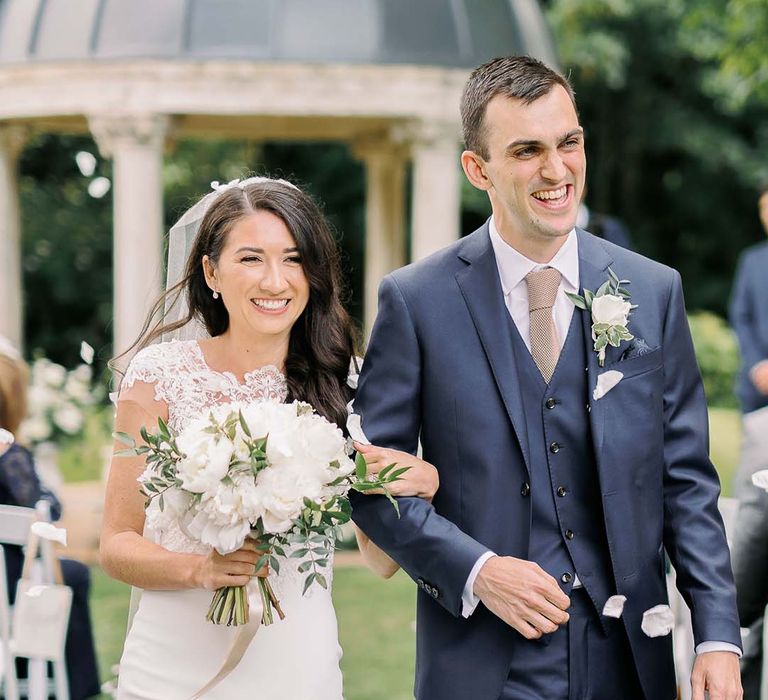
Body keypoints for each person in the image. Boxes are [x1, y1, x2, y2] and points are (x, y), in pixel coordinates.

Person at [350, 56, 742, 700]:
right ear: (479, 169)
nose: (557, 170)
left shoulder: (652, 289)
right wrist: (478, 572)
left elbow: (687, 482)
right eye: (527, 150)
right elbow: (369, 483)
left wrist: (717, 638)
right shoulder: (416, 300)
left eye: (569, 143)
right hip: (483, 659)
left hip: (627, 658)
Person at [100, 177, 438, 700]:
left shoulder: (347, 383)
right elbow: (117, 543)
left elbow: (381, 560)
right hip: (171, 668)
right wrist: (200, 570)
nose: (276, 281)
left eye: (295, 259)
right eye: (251, 259)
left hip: (296, 665)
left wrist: (420, 480)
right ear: (211, 271)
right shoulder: (158, 374)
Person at [0, 341, 101, 700]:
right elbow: (43, 512)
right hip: (12, 579)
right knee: (71, 575)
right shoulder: (10, 455)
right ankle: (77, 685)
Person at [729, 183, 768, 698]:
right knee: (754, 508)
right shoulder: (753, 261)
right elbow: (741, 317)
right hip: (761, 402)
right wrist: (758, 363)